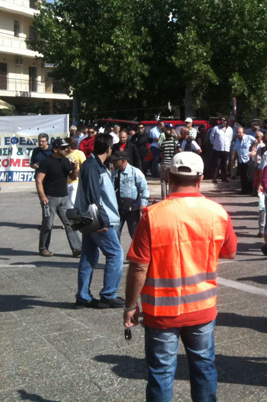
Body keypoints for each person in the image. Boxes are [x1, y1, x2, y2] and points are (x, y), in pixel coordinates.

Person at [123, 151, 237, 402]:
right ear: (201, 178)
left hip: (161, 312)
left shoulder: (152, 216)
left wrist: (130, 305)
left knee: (161, 373)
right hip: (201, 308)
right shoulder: (217, 212)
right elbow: (230, 252)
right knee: (204, 368)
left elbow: (139, 267)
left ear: (169, 176)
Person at [74, 133, 125, 309]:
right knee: (116, 254)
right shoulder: (92, 166)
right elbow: (92, 197)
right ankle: (108, 294)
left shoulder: (96, 165)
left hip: (91, 219)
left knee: (89, 256)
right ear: (108, 148)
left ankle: (83, 297)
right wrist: (101, 222)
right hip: (99, 220)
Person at [36, 139, 82, 257]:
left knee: (70, 223)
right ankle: (43, 248)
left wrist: (74, 168)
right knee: (47, 224)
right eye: (62, 148)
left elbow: (72, 176)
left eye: (66, 147)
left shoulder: (65, 161)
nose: (65, 150)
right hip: (50, 198)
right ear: (55, 149)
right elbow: (39, 180)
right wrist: (42, 196)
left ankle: (77, 248)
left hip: (64, 197)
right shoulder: (46, 162)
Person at [110, 151, 149, 238]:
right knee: (114, 235)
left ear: (123, 160)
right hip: (118, 210)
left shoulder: (135, 172)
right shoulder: (115, 174)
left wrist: (143, 204)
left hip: (132, 210)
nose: (114, 162)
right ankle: (117, 252)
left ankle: (137, 251)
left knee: (135, 235)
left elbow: (144, 188)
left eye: (116, 160)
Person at [209, 116, 233, 183]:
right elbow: (211, 138)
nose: (222, 122)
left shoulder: (230, 129)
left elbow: (230, 138)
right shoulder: (216, 128)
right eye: (221, 120)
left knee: (224, 164)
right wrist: (216, 144)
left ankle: (224, 177)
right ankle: (214, 178)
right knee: (216, 164)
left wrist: (227, 145)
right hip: (217, 149)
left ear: (226, 121)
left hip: (226, 149)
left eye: (224, 120)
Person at [159, 124, 180, 199]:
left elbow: (161, 153)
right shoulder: (175, 143)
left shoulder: (163, 144)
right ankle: (170, 197)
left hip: (164, 163)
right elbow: (179, 150)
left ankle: (163, 198)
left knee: (163, 181)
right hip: (171, 164)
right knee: (171, 181)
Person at [64, 137, 86, 206]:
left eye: (65, 146)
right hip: (66, 181)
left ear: (69, 146)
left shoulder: (79, 153)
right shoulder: (64, 155)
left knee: (73, 202)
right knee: (66, 203)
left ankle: (76, 215)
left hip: (76, 181)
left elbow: (84, 166)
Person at [235, 126, 256, 195]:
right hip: (241, 159)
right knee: (242, 175)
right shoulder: (237, 140)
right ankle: (244, 190)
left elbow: (256, 141)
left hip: (248, 158)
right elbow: (236, 150)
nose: (238, 134)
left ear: (243, 132)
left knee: (249, 175)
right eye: (237, 133)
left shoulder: (248, 137)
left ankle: (251, 190)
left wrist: (253, 148)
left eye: (239, 133)